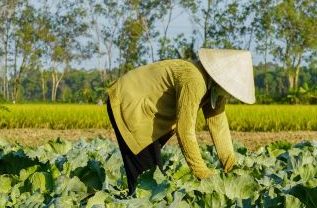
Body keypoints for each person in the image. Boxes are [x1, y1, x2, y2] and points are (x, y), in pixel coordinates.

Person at [106, 48, 255, 194]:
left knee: (154, 178)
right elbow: (185, 132)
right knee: (147, 185)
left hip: (149, 115)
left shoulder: (215, 90)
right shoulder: (194, 79)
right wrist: (203, 174)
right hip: (130, 105)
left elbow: (219, 126)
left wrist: (232, 167)